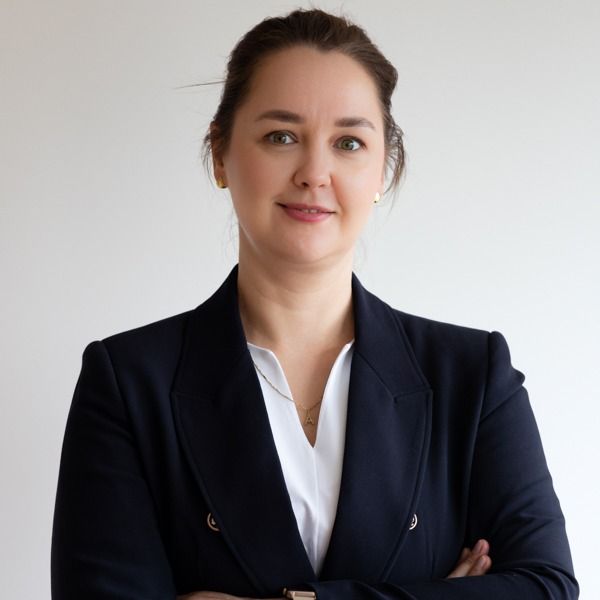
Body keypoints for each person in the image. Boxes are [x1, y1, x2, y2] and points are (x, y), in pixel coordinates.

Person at [51, 8, 578, 600]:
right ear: (221, 153)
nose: (315, 172)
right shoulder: (127, 384)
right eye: (281, 136)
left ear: (383, 169)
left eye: (349, 142)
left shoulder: (473, 377)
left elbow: (546, 588)